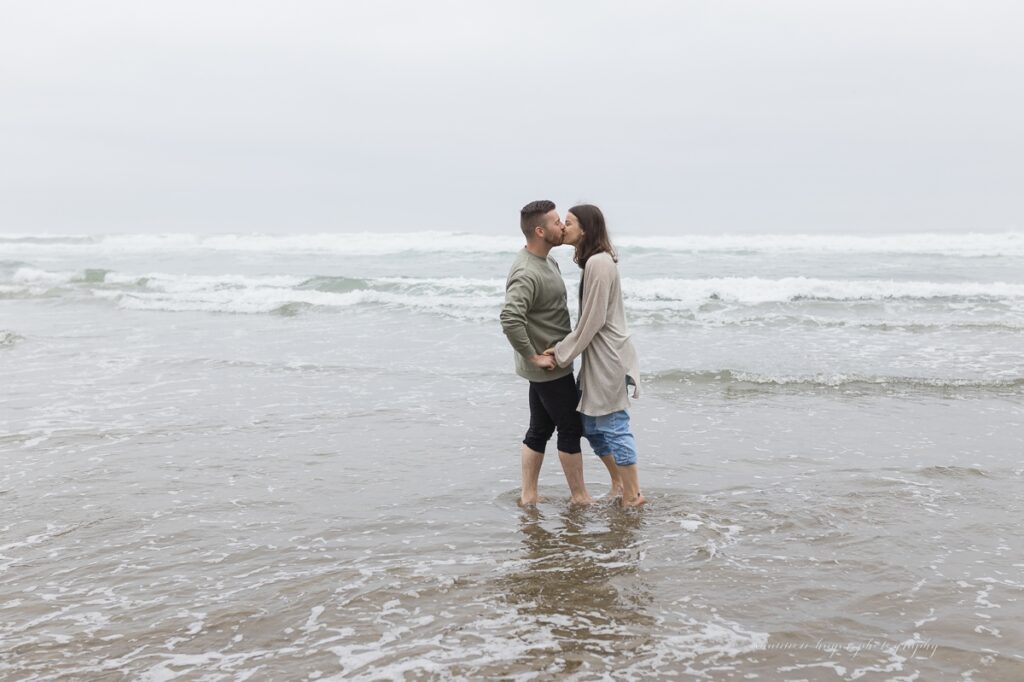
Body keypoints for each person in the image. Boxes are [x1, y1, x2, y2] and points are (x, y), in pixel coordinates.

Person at [545, 204, 644, 507]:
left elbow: (593, 320)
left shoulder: (599, 263)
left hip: (609, 358)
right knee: (589, 426)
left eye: (570, 222)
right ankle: (618, 482)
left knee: (614, 426)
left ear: (586, 229)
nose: (564, 227)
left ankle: (634, 494)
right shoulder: (594, 263)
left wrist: (561, 353)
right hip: (596, 357)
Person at [501, 200, 593, 507]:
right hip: (549, 367)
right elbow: (510, 318)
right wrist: (533, 357)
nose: (563, 227)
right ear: (540, 231)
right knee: (570, 427)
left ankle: (529, 496)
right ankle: (580, 497)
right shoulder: (526, 272)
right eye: (556, 222)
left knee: (540, 428)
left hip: (554, 362)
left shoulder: (548, 262)